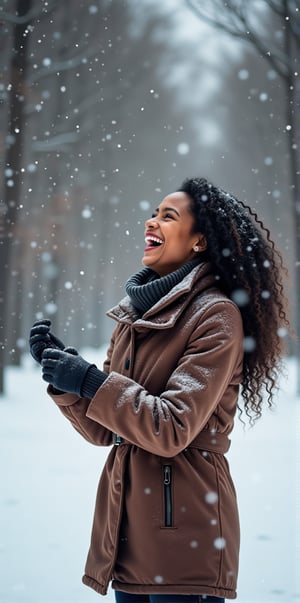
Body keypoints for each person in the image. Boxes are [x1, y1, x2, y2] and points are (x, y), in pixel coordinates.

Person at [29, 177, 289, 603]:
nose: (152, 220)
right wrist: (65, 381)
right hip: (127, 538)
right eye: (153, 212)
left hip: (187, 536)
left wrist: (90, 381)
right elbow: (105, 431)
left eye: (169, 216)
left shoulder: (215, 316)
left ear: (199, 240)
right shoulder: (133, 315)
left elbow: (171, 428)